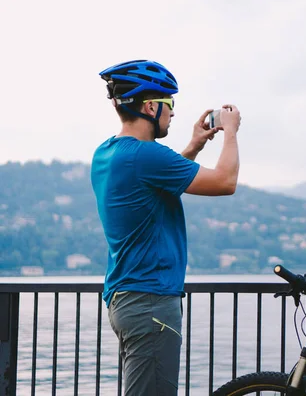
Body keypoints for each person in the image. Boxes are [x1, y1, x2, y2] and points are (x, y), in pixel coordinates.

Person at [90, 59, 241, 395]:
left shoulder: (108, 153)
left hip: (127, 298)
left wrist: (194, 147)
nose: (173, 113)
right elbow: (225, 181)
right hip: (151, 301)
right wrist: (230, 130)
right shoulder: (145, 156)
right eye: (170, 104)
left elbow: (158, 185)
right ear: (151, 106)